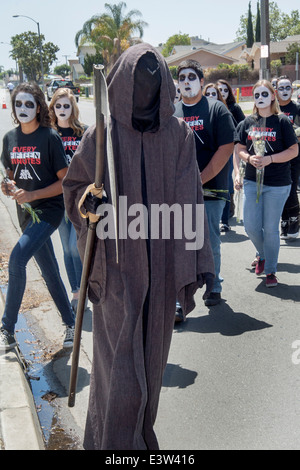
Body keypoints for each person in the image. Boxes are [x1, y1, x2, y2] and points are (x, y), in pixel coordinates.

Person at [63, 43, 214, 450]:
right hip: (115, 271)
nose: (146, 86)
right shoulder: (101, 134)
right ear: (123, 83)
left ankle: (140, 438)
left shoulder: (178, 135)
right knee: (120, 371)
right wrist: (88, 203)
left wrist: (197, 262)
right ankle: (112, 445)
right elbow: (76, 186)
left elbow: (190, 197)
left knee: (151, 363)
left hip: (161, 269)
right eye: (138, 78)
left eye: (153, 78)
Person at [0, 82, 75, 351]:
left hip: (49, 211)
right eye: (18, 104)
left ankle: (6, 329)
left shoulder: (49, 137)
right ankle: (71, 323)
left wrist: (33, 195)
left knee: (18, 258)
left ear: (39, 107)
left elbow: (65, 181)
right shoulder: (9, 139)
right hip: (25, 215)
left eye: (28, 104)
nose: (23, 109)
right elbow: (10, 178)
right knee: (50, 271)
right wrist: (8, 188)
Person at [174, 60, 236, 306]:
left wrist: (199, 179)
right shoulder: (171, 112)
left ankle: (214, 285)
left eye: (191, 77)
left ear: (201, 81)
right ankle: (181, 295)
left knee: (209, 239)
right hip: (178, 192)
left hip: (211, 188)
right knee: (180, 242)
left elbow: (226, 148)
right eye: (182, 78)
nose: (186, 82)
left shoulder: (216, 110)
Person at [235, 79, 298, 287]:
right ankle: (262, 254)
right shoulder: (247, 122)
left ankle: (271, 270)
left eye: (264, 94)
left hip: (278, 184)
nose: (260, 98)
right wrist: (248, 158)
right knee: (251, 226)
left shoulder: (282, 122)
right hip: (253, 181)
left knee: (270, 228)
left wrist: (270, 159)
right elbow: (239, 148)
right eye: (256, 95)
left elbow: (293, 150)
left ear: (273, 96)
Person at [49, 88, 88, 312]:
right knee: (66, 249)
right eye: (58, 105)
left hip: (79, 200)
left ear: (73, 108)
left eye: (66, 106)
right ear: (53, 107)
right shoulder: (49, 134)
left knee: (75, 247)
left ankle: (83, 290)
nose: (62, 110)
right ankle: (75, 292)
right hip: (57, 200)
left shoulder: (82, 132)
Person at [217, 79, 245, 231]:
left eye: (225, 90)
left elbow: (243, 126)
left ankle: (225, 217)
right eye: (219, 90)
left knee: (227, 181)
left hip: (231, 149)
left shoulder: (234, 108)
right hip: (213, 150)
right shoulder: (210, 107)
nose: (222, 93)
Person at [276, 75, 300, 240]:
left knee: (291, 189)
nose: (284, 91)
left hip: (294, 156)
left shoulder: (297, 109)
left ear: (292, 90)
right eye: (281, 88)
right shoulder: (273, 109)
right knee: (279, 190)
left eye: (287, 88)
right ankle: (284, 220)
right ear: (275, 91)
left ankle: (294, 220)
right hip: (276, 157)